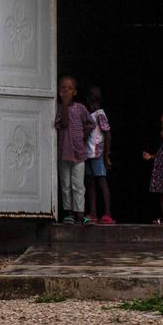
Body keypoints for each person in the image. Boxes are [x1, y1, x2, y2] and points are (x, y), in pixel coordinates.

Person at [54, 76, 94, 224]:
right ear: (59, 91)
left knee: (78, 185)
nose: (66, 91)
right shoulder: (58, 108)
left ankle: (80, 214)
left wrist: (83, 134)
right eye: (63, 88)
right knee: (66, 185)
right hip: (64, 154)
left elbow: (91, 123)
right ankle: (68, 213)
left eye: (69, 88)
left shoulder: (81, 108)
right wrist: (64, 105)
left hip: (79, 153)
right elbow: (63, 123)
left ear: (75, 92)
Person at [84, 87, 114, 224]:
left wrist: (106, 155)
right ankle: (93, 213)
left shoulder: (100, 114)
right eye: (92, 98)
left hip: (98, 154)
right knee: (90, 183)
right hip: (88, 154)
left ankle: (107, 213)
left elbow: (108, 134)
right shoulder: (89, 114)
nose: (93, 101)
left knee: (102, 183)